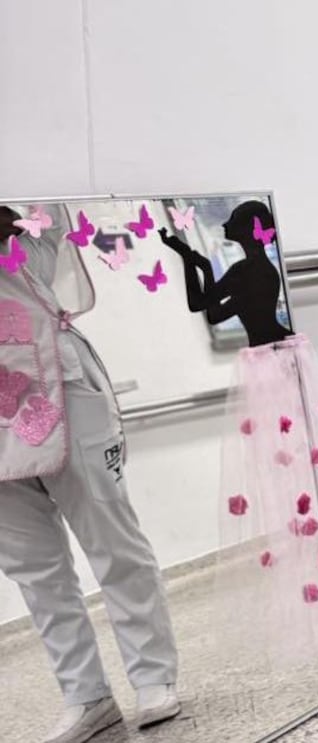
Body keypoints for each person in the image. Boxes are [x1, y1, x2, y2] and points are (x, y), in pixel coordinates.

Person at [0, 205, 181, 743]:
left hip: (61, 386)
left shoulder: (26, 206)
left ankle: (153, 677)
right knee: (34, 572)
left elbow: (44, 215)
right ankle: (86, 696)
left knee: (113, 542)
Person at [159, 200, 293, 347]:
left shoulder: (247, 270)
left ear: (247, 228)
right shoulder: (259, 268)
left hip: (272, 350)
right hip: (274, 346)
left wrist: (197, 263)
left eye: (233, 219)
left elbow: (200, 305)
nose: (225, 224)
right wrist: (194, 261)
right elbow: (213, 313)